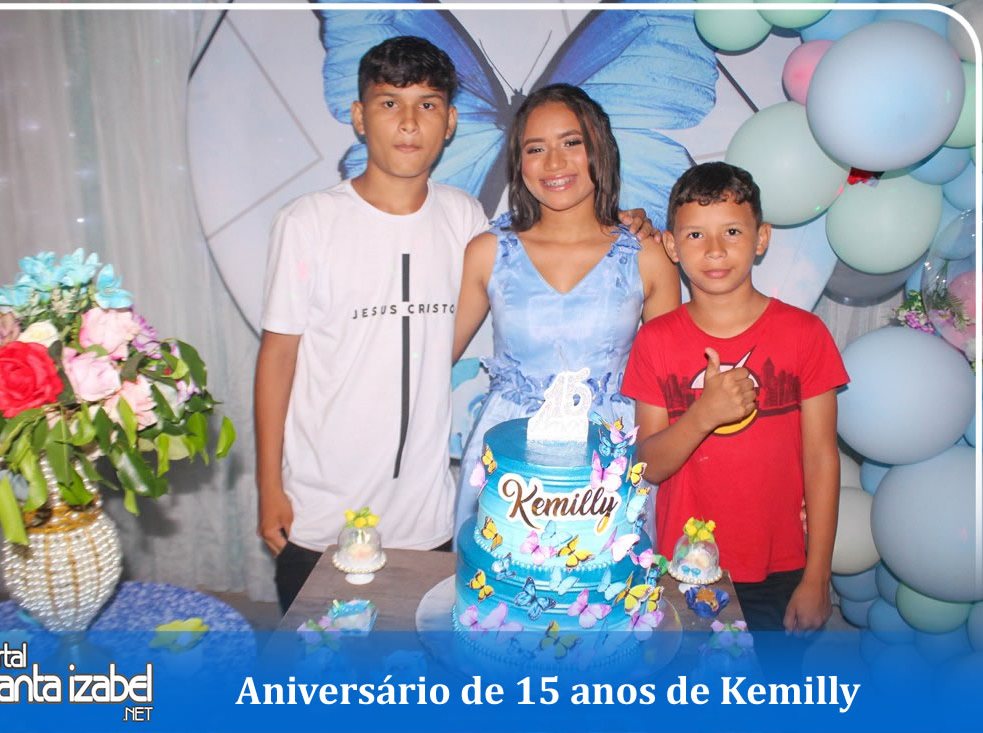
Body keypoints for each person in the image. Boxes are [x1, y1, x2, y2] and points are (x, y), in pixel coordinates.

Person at [255, 36, 488, 613]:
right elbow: (277, 359)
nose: (409, 122)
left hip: (425, 517)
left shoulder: (464, 218)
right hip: (320, 514)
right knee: (319, 662)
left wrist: (624, 223)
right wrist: (268, 486)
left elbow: (534, 260)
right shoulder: (308, 222)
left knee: (416, 661)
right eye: (389, 103)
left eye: (427, 104)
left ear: (450, 122)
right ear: (360, 117)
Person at [621, 161, 849, 637]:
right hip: (685, 567)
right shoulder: (655, 341)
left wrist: (818, 576)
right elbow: (647, 466)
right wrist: (703, 414)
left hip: (783, 567)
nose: (715, 250)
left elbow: (821, 459)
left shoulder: (805, 335)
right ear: (671, 246)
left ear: (761, 238)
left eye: (731, 231)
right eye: (696, 235)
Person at [451, 83, 681, 534]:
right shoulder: (487, 252)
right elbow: (431, 357)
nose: (554, 163)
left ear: (600, 148)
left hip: (610, 460)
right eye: (536, 148)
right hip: (507, 458)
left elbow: (669, 392)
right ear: (518, 163)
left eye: (571, 143)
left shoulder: (647, 256)